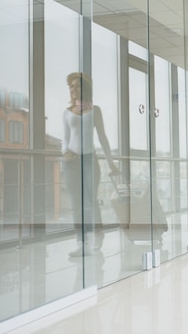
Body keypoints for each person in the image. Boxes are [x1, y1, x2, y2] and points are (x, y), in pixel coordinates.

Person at [62, 72, 119, 257]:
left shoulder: (95, 110)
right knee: (76, 204)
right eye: (71, 86)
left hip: (89, 160)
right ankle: (81, 242)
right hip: (71, 163)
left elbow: (102, 137)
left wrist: (111, 163)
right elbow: (65, 139)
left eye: (77, 86)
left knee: (91, 202)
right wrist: (65, 153)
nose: (73, 89)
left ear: (84, 89)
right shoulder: (67, 113)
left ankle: (98, 234)